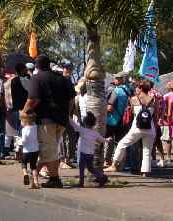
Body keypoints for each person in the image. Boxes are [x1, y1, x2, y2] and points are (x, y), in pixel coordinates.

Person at [22, 55, 75, 188]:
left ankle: (55, 179)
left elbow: (34, 99)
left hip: (46, 120)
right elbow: (71, 99)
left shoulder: (37, 78)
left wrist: (25, 111)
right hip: (62, 120)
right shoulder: (62, 78)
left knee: (49, 150)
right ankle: (37, 173)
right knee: (51, 148)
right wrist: (67, 113)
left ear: (37, 66)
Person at [104, 80, 158, 177]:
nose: (136, 89)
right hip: (150, 128)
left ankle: (114, 165)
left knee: (122, 144)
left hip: (136, 128)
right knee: (147, 150)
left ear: (140, 88)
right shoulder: (153, 100)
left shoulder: (134, 99)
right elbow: (155, 116)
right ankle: (146, 171)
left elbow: (132, 113)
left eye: (137, 87)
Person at [71, 112, 109, 187]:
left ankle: (81, 182)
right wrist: (108, 140)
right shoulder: (95, 133)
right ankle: (101, 176)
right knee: (90, 168)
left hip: (83, 154)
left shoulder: (82, 130)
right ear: (94, 124)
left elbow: (73, 124)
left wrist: (68, 117)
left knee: (81, 168)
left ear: (84, 122)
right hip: (91, 154)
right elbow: (102, 140)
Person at [105, 72, 132, 165]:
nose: (115, 80)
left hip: (113, 120)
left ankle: (107, 161)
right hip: (124, 120)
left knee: (107, 139)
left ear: (121, 79)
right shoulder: (129, 90)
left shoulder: (116, 91)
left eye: (116, 78)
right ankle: (121, 163)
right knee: (121, 143)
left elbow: (110, 107)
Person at [16, 112, 40, 189]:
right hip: (35, 150)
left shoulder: (24, 130)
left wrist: (18, 142)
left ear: (24, 121)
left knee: (24, 163)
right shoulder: (36, 127)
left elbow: (24, 141)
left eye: (21, 121)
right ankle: (36, 182)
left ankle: (25, 174)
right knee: (33, 166)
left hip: (26, 151)